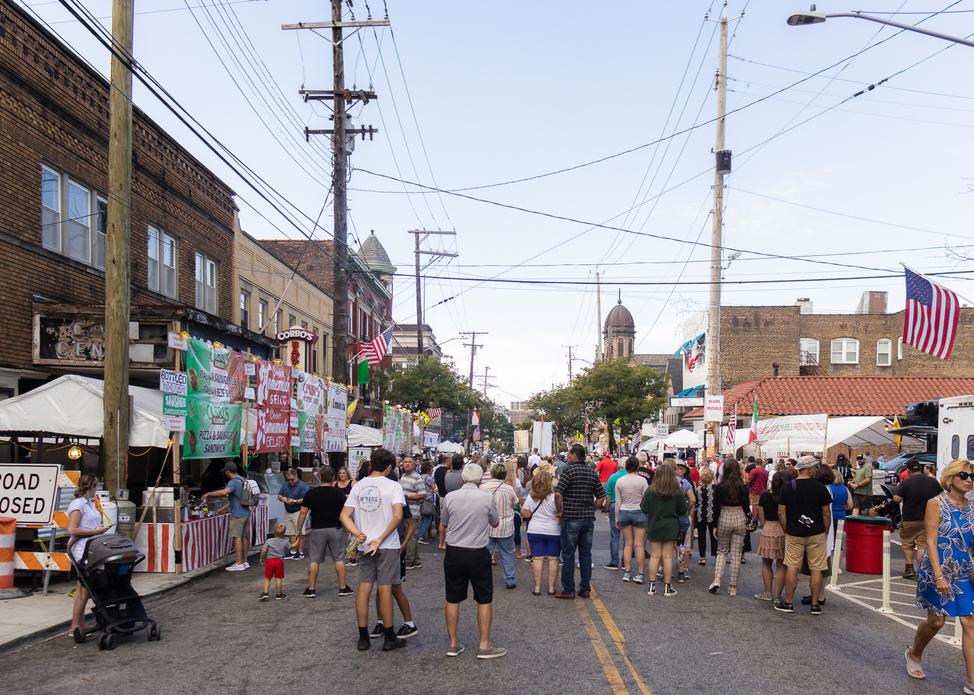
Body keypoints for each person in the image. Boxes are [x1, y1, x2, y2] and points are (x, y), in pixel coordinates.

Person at [908, 459, 974, 687]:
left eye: (972, 477)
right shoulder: (936, 503)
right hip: (938, 569)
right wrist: (939, 576)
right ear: (951, 477)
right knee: (936, 622)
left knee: (970, 621)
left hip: (965, 571)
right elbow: (932, 542)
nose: (968, 480)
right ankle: (915, 653)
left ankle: (972, 681)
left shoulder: (973, 506)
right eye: (963, 475)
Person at [340, 448, 408, 652]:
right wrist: (380, 538)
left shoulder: (359, 486)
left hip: (364, 545)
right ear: (389, 467)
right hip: (386, 545)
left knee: (364, 588)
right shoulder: (393, 486)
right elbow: (397, 516)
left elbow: (344, 515)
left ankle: (363, 637)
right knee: (385, 588)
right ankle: (389, 636)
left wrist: (358, 533)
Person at [441, 463, 505, 659]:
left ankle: (453, 643)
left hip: (454, 552)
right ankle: (484, 645)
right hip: (478, 552)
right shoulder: (486, 497)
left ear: (462, 479)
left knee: (453, 597)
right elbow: (495, 522)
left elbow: (444, 522)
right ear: (480, 480)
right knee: (484, 598)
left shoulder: (450, 497)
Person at [776, 456, 832, 615]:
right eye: (815, 467)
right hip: (816, 532)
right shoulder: (821, 488)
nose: (816, 470)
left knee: (792, 566)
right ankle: (815, 604)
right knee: (817, 567)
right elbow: (826, 514)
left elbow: (781, 512)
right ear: (809, 469)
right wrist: (825, 531)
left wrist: (787, 528)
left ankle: (788, 602)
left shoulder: (787, 487)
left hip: (794, 532)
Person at [554, 443, 606, 599]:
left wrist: (559, 511)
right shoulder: (591, 472)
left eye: (569, 455)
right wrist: (593, 508)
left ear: (575, 456)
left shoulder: (568, 471)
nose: (567, 458)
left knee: (569, 554)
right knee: (585, 554)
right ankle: (585, 588)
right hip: (587, 519)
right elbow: (601, 497)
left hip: (571, 518)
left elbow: (558, 494)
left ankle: (569, 589)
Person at [294, 467, 352, 598]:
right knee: (339, 558)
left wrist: (299, 530)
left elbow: (303, 512)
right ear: (333, 479)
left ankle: (311, 588)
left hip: (317, 529)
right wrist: (349, 528)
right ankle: (343, 587)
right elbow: (346, 513)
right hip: (335, 528)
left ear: (320, 478)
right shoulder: (339, 494)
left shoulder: (311, 493)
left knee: (314, 560)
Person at [67, 474, 110, 636]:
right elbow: (71, 530)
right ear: (92, 487)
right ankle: (75, 625)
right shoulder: (78, 504)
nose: (97, 488)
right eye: (96, 485)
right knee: (85, 587)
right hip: (80, 549)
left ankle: (79, 623)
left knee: (83, 587)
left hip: (91, 547)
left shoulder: (88, 503)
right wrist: (95, 531)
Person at [641, 464, 687, 597]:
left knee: (655, 556)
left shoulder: (651, 490)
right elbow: (683, 510)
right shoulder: (677, 491)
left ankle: (651, 585)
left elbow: (644, 508)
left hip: (654, 524)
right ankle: (667, 587)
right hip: (671, 525)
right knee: (667, 556)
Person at [895, 459, 944, 580]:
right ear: (920, 469)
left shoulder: (905, 482)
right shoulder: (933, 481)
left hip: (909, 518)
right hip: (928, 519)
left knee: (907, 544)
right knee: (922, 546)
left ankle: (909, 569)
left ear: (908, 470)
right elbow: (942, 495)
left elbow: (897, 499)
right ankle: (920, 571)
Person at [708, 458, 750, 596]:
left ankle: (717, 578)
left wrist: (715, 525)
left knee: (722, 551)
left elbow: (716, 508)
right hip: (739, 516)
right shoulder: (743, 487)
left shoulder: (720, 487)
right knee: (736, 553)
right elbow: (746, 507)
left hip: (725, 515)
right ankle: (732, 586)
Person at [201, 462, 251, 571]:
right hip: (246, 512)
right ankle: (245, 561)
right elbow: (236, 497)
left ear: (228, 471)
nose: (225, 473)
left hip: (237, 514)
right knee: (243, 538)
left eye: (225, 471)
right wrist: (223, 508)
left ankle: (238, 563)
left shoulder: (233, 482)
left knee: (237, 538)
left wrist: (209, 493)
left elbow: (225, 492)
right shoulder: (242, 479)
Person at [756, 469, 794, 606]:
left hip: (769, 527)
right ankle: (778, 595)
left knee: (766, 562)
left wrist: (765, 525)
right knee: (781, 564)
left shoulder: (765, 496)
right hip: (784, 528)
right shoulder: (789, 496)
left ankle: (767, 592)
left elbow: (761, 516)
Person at [480, 463, 519, 590]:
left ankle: (482, 579)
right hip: (506, 526)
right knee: (507, 554)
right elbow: (514, 505)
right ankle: (510, 580)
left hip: (488, 525)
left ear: (491, 474)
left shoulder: (483, 488)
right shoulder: (509, 489)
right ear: (504, 474)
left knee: (485, 554)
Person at [522, 468, 560, 596]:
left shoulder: (531, 497)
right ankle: (551, 588)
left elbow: (526, 513)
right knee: (553, 559)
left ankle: (537, 588)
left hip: (535, 529)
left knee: (537, 559)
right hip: (553, 530)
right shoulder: (555, 497)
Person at [615, 457, 649, 584]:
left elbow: (618, 501)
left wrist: (617, 518)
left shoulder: (620, 481)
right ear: (637, 468)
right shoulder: (642, 481)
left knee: (627, 544)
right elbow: (645, 499)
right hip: (639, 511)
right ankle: (640, 574)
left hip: (624, 511)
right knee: (639, 545)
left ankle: (627, 572)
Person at [602, 458, 628, 571]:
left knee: (615, 535)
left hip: (614, 505)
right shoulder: (633, 477)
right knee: (628, 538)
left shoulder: (612, 477)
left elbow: (608, 495)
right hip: (628, 506)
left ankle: (614, 562)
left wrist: (607, 509)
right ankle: (625, 562)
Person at [399, 456, 425, 570]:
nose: (407, 464)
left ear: (414, 465)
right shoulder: (403, 476)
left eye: (410, 462)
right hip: (404, 511)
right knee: (411, 536)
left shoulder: (417, 478)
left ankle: (409, 560)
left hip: (412, 511)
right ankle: (416, 559)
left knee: (411, 537)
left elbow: (423, 495)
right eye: (405, 462)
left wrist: (408, 497)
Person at [278, 468, 309, 560]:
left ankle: (301, 551)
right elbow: (279, 495)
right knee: (290, 532)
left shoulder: (303, 486)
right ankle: (293, 550)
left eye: (292, 479)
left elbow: (305, 499)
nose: (290, 482)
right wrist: (282, 498)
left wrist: (294, 501)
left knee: (300, 532)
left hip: (298, 511)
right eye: (288, 480)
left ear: (296, 476)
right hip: (288, 511)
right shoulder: (285, 485)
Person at [259, 523, 291, 600]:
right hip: (279, 561)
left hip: (270, 561)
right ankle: (279, 594)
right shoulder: (285, 542)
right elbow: (292, 546)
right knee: (278, 579)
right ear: (284, 533)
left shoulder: (269, 541)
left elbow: (264, 550)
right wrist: (298, 540)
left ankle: (265, 592)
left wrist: (261, 558)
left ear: (273, 532)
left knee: (267, 578)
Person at [695, 467, 718, 566]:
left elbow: (696, 502)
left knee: (702, 536)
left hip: (701, 514)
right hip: (712, 514)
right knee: (714, 536)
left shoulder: (698, 489)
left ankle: (702, 557)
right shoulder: (715, 489)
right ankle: (716, 556)